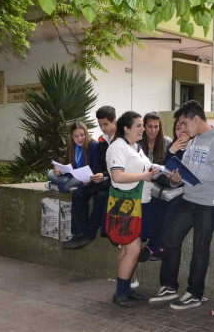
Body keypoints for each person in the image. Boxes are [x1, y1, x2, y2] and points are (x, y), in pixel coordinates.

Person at [148, 100, 214, 310]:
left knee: (200, 249)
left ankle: (194, 293)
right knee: (170, 239)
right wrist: (177, 177)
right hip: (188, 197)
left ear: (196, 118)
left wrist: (190, 170)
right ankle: (169, 286)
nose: (182, 129)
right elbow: (187, 168)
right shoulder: (193, 140)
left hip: (209, 202)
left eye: (185, 123)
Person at [106, 111, 160, 307]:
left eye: (141, 125)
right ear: (126, 128)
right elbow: (117, 176)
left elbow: (139, 169)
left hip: (139, 203)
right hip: (125, 204)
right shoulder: (118, 147)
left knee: (128, 248)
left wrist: (150, 171)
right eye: (138, 125)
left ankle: (124, 289)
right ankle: (120, 293)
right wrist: (143, 176)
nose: (143, 129)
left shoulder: (135, 147)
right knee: (133, 248)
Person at [64, 106, 116, 249]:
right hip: (104, 179)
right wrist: (98, 175)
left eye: (105, 124)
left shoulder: (122, 139)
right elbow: (100, 165)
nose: (102, 128)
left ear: (114, 121)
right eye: (100, 124)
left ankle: (89, 233)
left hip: (117, 181)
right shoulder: (103, 141)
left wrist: (103, 175)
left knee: (101, 197)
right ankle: (79, 232)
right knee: (79, 194)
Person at [139, 119, 187, 262]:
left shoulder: (194, 146)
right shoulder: (173, 145)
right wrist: (172, 151)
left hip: (187, 191)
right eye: (178, 129)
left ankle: (153, 246)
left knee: (173, 206)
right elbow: (166, 168)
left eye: (184, 130)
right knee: (155, 202)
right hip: (171, 187)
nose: (181, 133)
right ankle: (157, 245)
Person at [47, 121, 98, 192]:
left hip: (85, 178)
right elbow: (67, 165)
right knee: (50, 173)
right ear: (72, 137)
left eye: (82, 135)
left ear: (86, 134)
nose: (79, 138)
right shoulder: (72, 146)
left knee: (69, 185)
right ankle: (73, 187)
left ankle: (56, 187)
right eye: (76, 136)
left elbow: (95, 168)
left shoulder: (93, 145)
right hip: (72, 176)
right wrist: (60, 170)